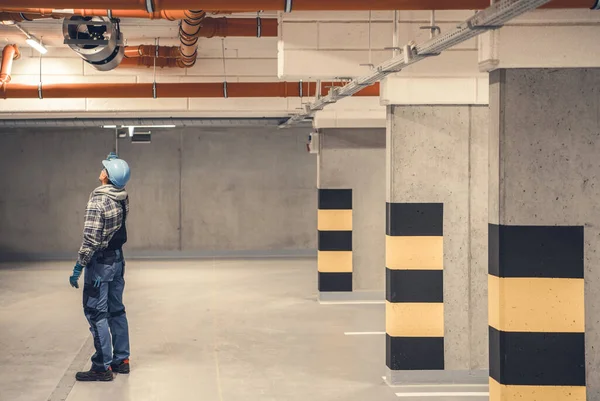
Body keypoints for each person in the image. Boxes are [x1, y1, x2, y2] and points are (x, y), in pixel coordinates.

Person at [69, 152, 132, 382]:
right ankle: (122, 360)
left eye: (105, 168)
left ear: (107, 177)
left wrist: (79, 266)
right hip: (117, 262)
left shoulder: (98, 201)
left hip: (101, 265)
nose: (102, 169)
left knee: (96, 313)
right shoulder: (122, 197)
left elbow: (91, 240)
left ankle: (101, 367)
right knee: (117, 310)